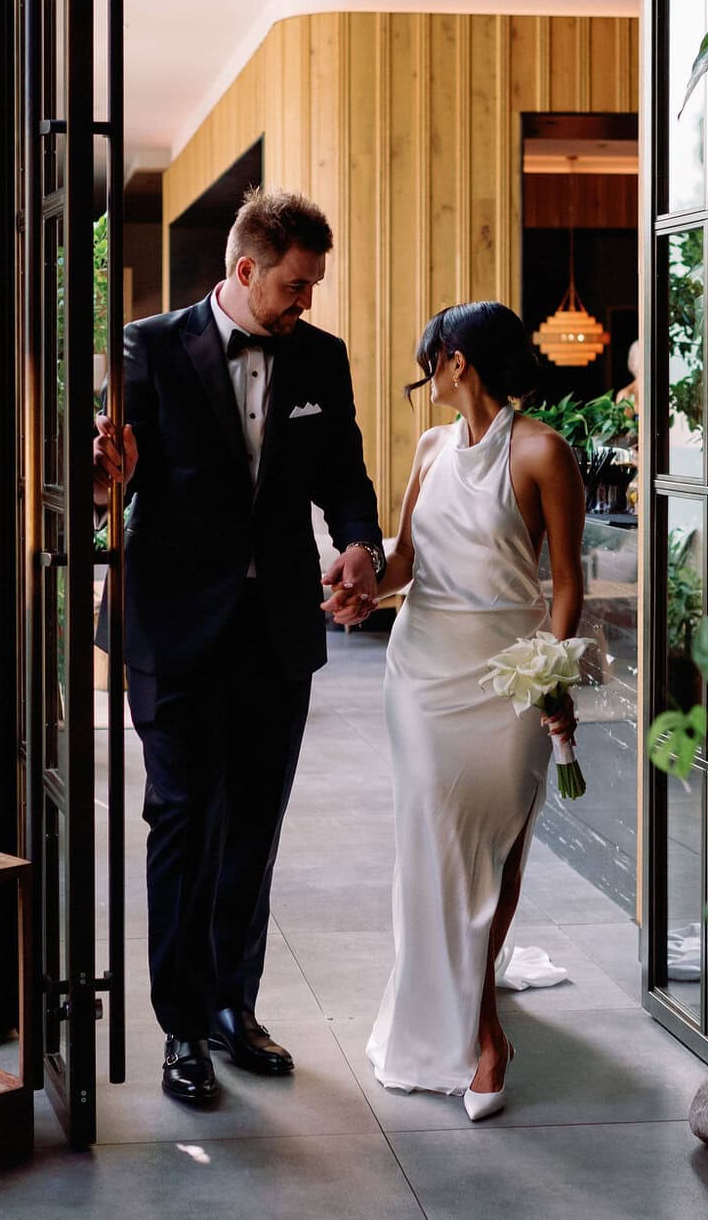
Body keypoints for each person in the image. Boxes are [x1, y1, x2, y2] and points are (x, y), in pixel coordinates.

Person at [91, 188, 385, 1107]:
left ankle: (232, 1007)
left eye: (315, 287)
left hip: (274, 631)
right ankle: (180, 1026)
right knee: (182, 820)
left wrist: (358, 543)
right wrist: (110, 483)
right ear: (245, 270)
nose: (308, 303)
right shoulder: (145, 347)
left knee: (252, 826)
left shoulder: (321, 359)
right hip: (173, 625)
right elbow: (100, 477)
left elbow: (345, 475)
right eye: (297, 286)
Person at [349, 301, 586, 1121]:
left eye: (430, 363)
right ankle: (484, 1033)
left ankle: (479, 1018)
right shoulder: (428, 448)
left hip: (507, 678)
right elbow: (406, 558)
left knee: (495, 856)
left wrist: (551, 677)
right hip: (420, 675)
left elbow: (566, 585)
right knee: (434, 853)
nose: (426, 380)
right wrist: (356, 589)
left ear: (457, 362)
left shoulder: (544, 452)